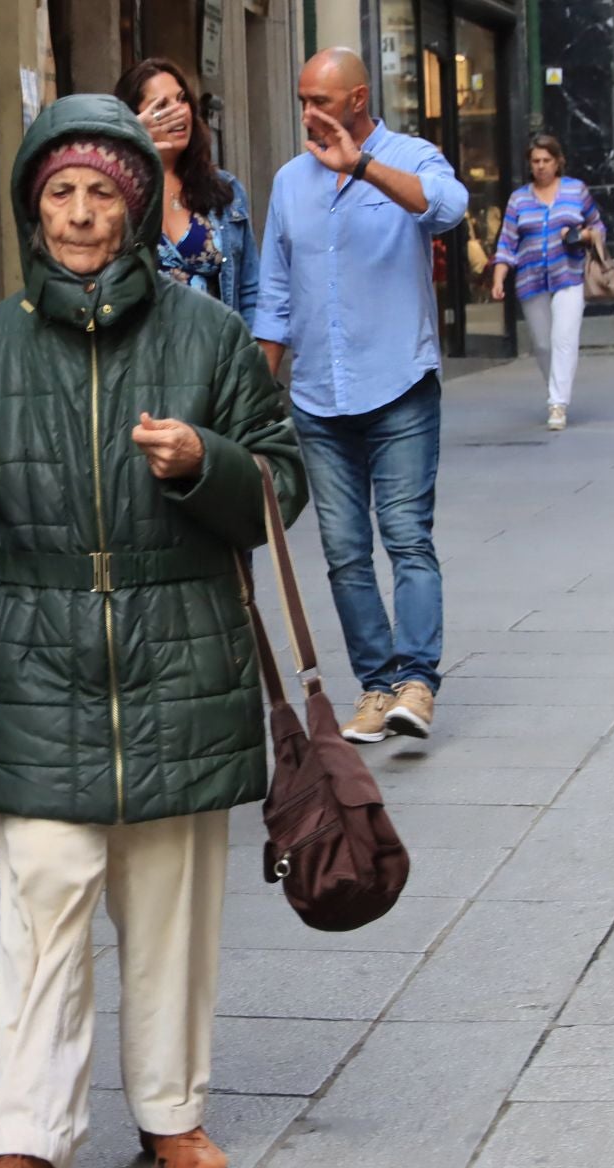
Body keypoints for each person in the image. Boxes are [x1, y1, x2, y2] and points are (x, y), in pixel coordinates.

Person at [0, 94, 304, 1168]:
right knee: (43, 899)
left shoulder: (204, 336)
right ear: (30, 207)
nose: (83, 215)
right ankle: (30, 1141)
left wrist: (207, 461)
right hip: (34, 665)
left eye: (105, 193)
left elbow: (284, 487)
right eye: (61, 193)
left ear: (139, 206)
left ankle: (171, 1112)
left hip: (177, 661)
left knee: (170, 911)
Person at [253, 47, 467, 745]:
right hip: (318, 400)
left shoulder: (409, 156)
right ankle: (377, 687)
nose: (310, 114)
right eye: (302, 101)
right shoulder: (289, 183)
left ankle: (418, 684)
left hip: (399, 386)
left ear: (357, 99)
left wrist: (364, 167)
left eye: (322, 100)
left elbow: (449, 209)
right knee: (344, 553)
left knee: (406, 539)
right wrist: (261, 390)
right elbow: (276, 295)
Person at [113, 57, 262, 327]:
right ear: (135, 119)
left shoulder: (224, 190)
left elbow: (250, 290)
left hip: (219, 357)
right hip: (145, 359)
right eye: (161, 106)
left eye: (181, 100)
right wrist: (128, 145)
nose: (179, 112)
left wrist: (254, 362)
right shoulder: (114, 194)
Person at [490, 135, 605, 432]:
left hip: (569, 273)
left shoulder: (575, 190)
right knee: (542, 344)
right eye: (536, 161)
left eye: (546, 161)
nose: (540, 167)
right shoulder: (519, 199)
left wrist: (587, 235)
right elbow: (507, 241)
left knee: (563, 338)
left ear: (558, 162)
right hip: (531, 278)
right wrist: (499, 275)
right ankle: (556, 388)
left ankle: (557, 404)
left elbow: (597, 225)